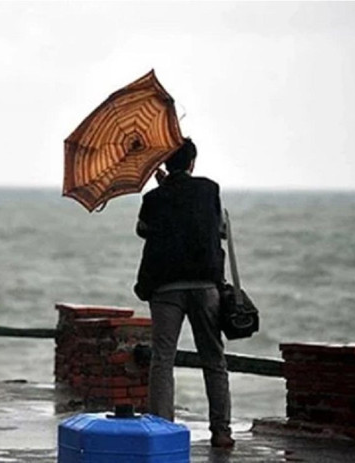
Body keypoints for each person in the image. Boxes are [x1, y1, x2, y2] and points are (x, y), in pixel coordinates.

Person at [133, 138, 234, 449]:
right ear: (192, 163)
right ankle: (221, 431)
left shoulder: (154, 198)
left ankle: (163, 429)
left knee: (162, 360)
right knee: (213, 359)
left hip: (165, 288)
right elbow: (218, 230)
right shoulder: (209, 190)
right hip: (205, 286)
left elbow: (143, 230)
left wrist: (163, 191)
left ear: (164, 164)